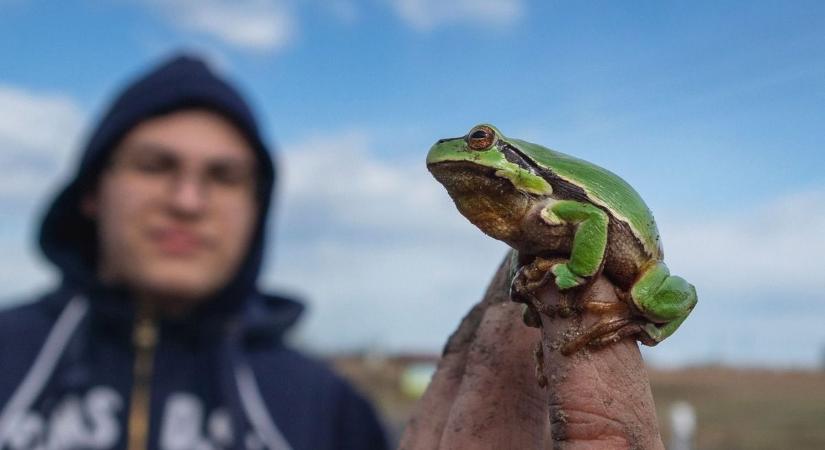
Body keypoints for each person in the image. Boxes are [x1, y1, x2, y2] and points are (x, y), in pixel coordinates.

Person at [0, 54, 389, 450]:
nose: (188, 202)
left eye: (225, 177)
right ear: (92, 192)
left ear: (257, 207)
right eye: (154, 166)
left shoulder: (328, 409)